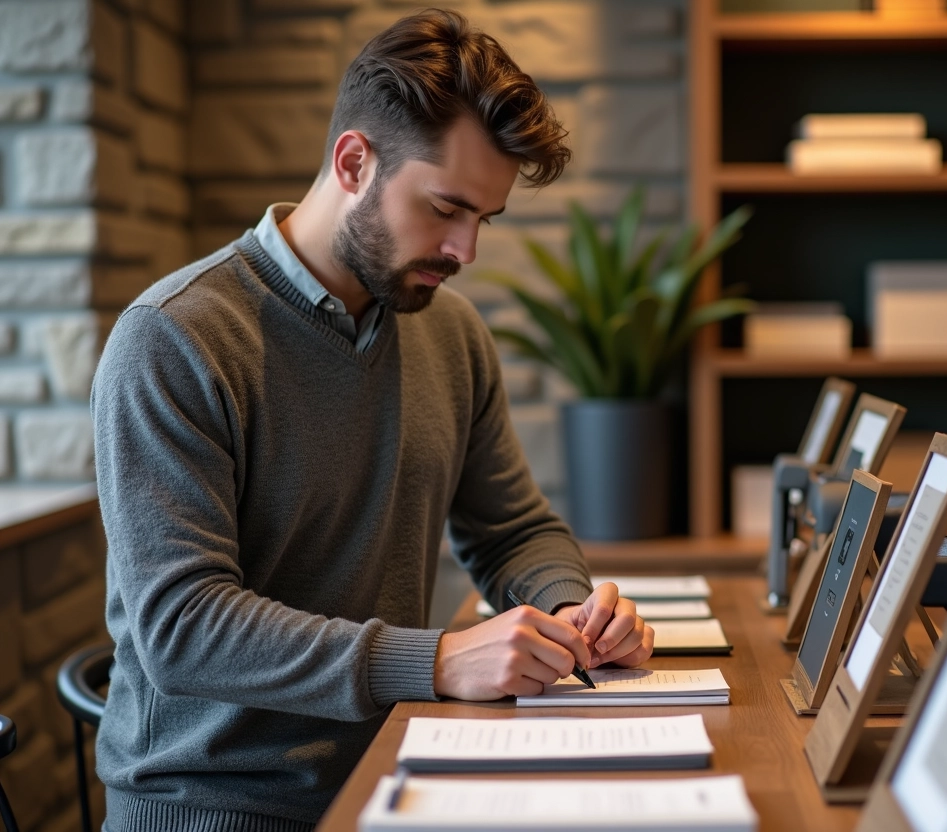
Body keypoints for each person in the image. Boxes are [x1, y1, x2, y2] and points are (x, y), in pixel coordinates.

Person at [90, 9, 654, 831]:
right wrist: (434, 659)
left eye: (482, 220)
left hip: (398, 773)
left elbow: (510, 530)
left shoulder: (450, 332)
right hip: (218, 808)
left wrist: (571, 614)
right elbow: (184, 628)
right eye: (445, 208)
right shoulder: (174, 338)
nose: (465, 250)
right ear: (353, 161)